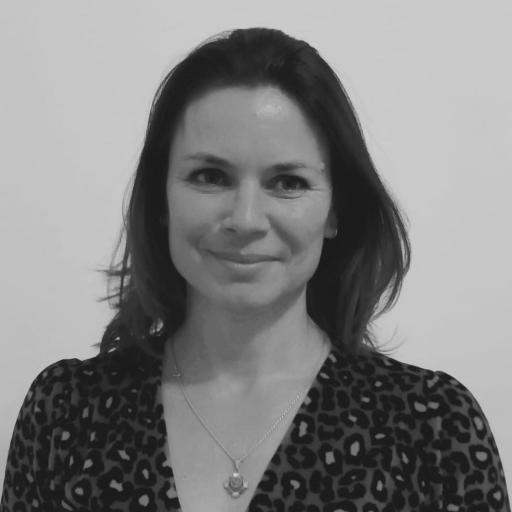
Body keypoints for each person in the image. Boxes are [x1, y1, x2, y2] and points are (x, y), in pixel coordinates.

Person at [1, 27, 509, 512]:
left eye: (287, 182)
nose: (245, 219)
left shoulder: (434, 427)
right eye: (210, 176)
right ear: (162, 199)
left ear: (336, 210)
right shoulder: (65, 412)